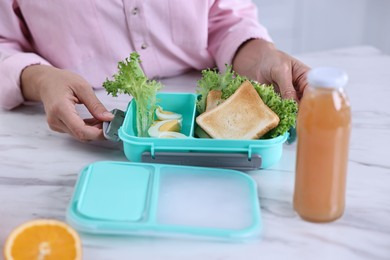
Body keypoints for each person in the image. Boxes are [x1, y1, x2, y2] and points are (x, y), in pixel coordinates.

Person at [0, 1, 309, 142]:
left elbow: (224, 18)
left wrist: (260, 55)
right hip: (76, 120)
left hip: (203, 95)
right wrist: (41, 78)